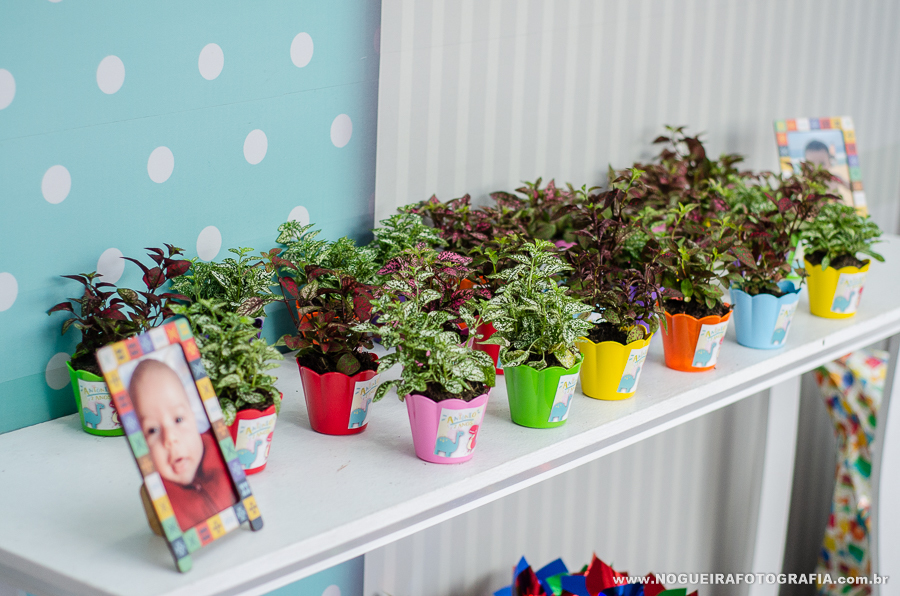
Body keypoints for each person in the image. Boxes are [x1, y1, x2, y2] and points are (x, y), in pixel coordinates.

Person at [130, 358, 237, 531]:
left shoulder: (222, 454)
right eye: (152, 430)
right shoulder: (158, 496)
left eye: (178, 419)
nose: (170, 438)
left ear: (194, 418)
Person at [804, 139, 853, 206]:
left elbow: (852, 187)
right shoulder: (807, 183)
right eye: (811, 164)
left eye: (822, 163)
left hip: (838, 209)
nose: (817, 168)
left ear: (829, 162)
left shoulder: (834, 178)